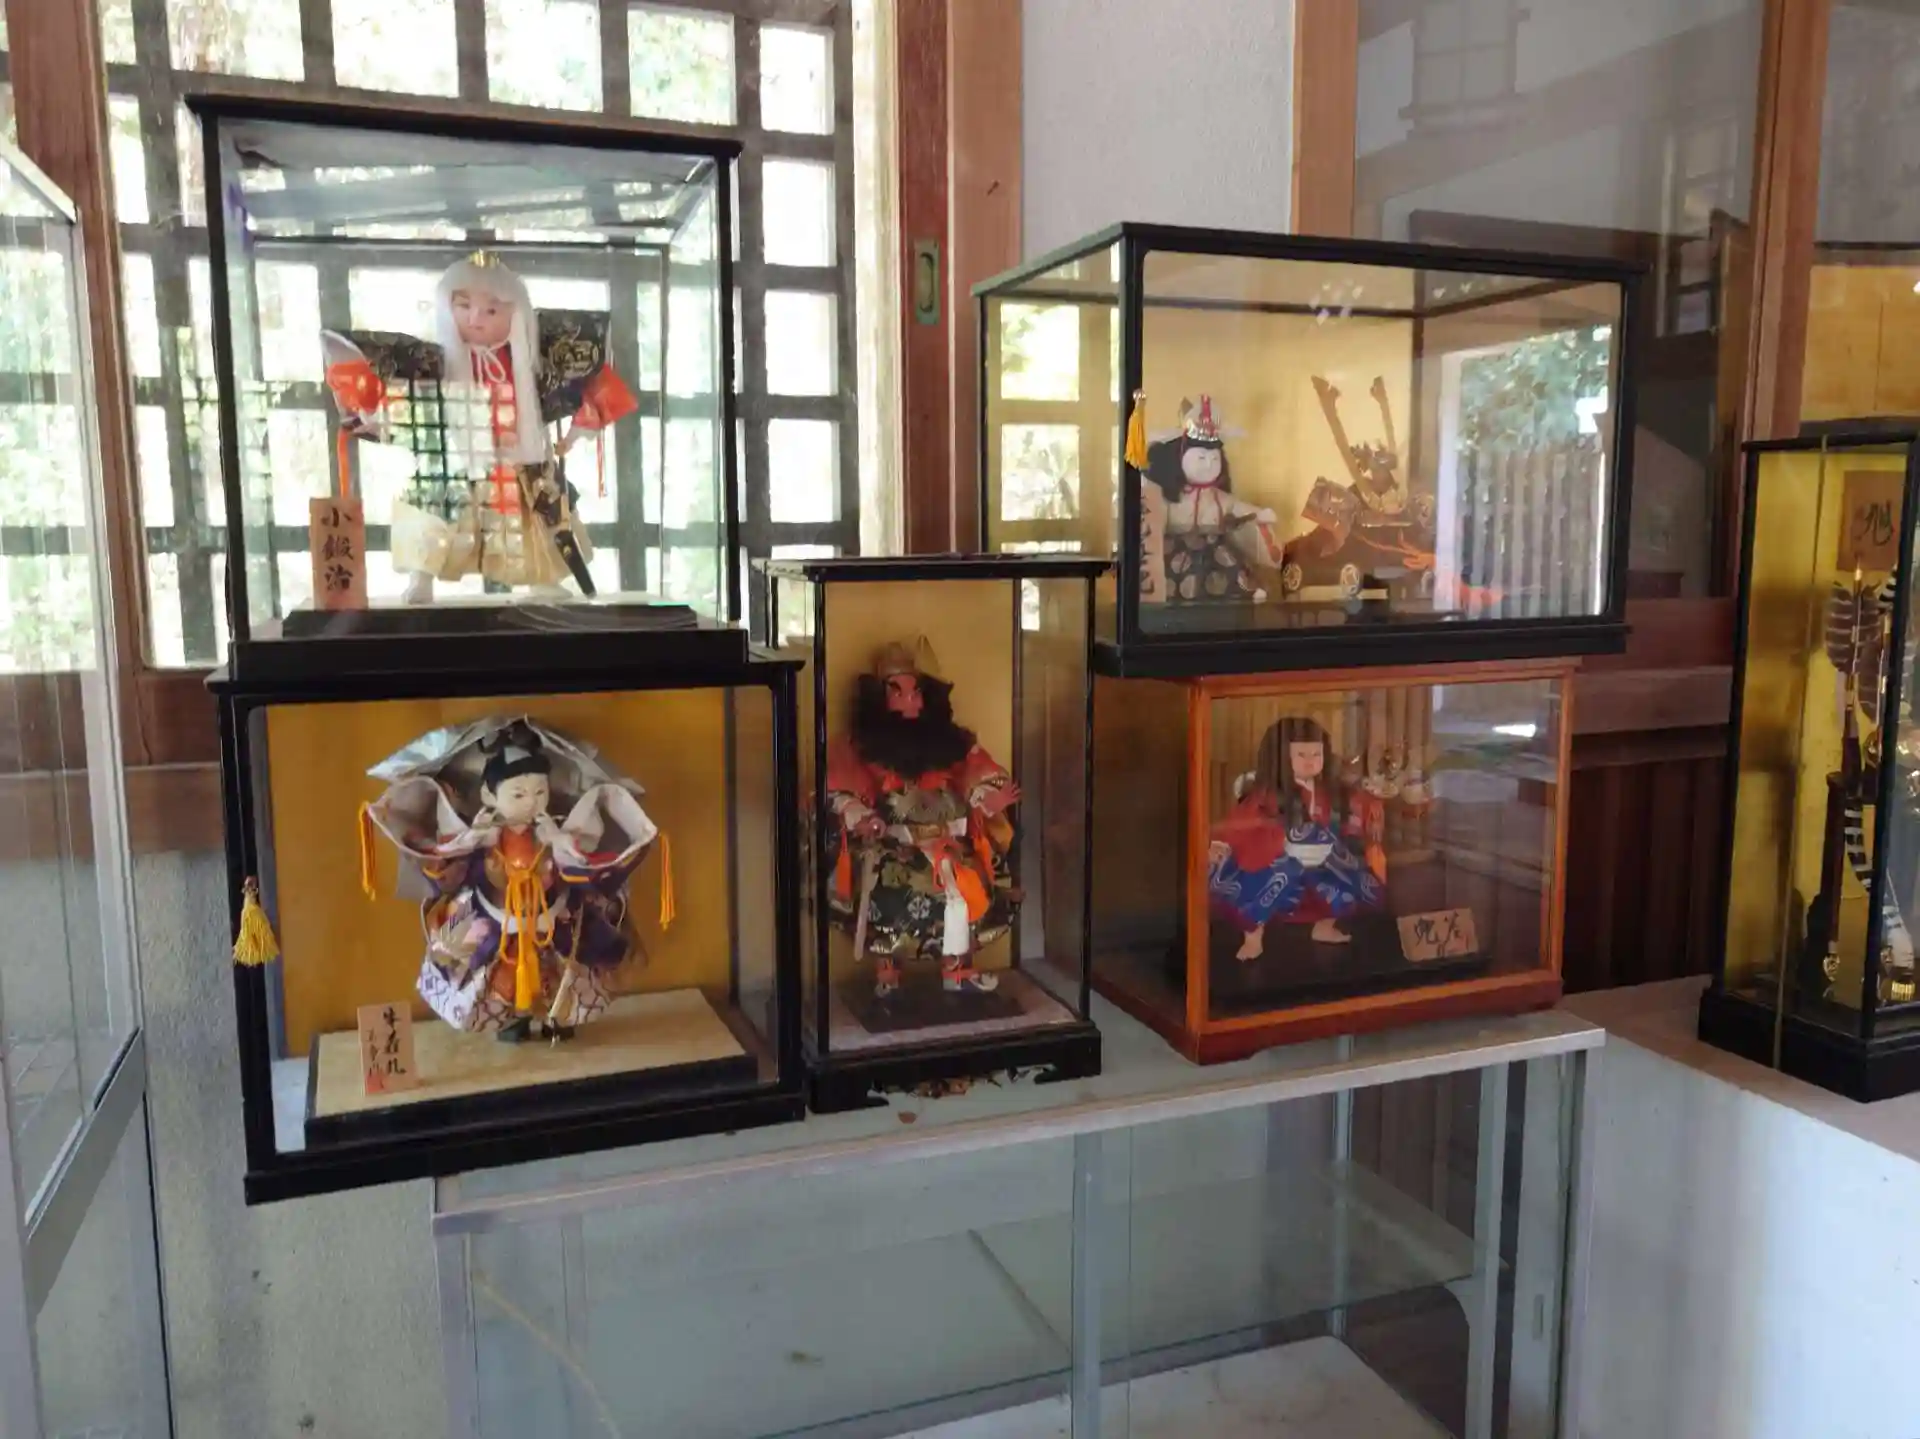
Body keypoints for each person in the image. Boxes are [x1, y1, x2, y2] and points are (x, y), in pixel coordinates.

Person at [322, 251, 635, 603]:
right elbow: (396, 389)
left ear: (516, 313)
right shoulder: (434, 363)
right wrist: (377, 408)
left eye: (492, 310)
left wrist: (578, 430)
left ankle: (542, 580)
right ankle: (422, 578)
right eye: (464, 306)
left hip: (519, 453)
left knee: (535, 517)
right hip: (456, 457)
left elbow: (589, 381)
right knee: (436, 513)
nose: (475, 319)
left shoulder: (530, 363)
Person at [362, 717, 668, 1042]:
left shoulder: (551, 832)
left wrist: (561, 843)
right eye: (518, 794)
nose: (532, 801)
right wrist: (470, 840)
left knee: (563, 971)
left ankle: (558, 1020)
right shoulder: (484, 838)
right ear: (489, 795)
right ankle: (509, 1023)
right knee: (491, 977)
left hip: (551, 915)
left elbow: (580, 861)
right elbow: (448, 865)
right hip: (495, 915)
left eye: (540, 791)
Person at [825, 640, 1019, 997]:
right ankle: (887, 971)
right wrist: (860, 816)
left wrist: (988, 797)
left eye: (916, 693)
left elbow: (975, 772)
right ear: (879, 698)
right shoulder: (859, 745)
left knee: (967, 887)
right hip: (893, 843)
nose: (910, 702)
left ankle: (957, 970)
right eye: (898, 693)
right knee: (889, 892)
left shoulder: (949, 741)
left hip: (949, 841)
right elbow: (839, 786)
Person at [1207, 715, 1385, 962]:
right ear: (1281, 758)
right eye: (1301, 755)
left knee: (1350, 876)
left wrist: (1366, 811)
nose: (1310, 761)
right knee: (1262, 891)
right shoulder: (1267, 794)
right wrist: (1221, 843)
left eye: (1316, 754)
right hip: (1277, 859)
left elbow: (1349, 812)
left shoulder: (1327, 791)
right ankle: (1253, 937)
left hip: (1321, 859)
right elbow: (1240, 822)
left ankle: (1325, 926)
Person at [1145, 396, 1284, 603]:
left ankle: (1244, 591)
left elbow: (1236, 507)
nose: (1209, 464)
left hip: (1216, 553)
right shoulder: (1168, 497)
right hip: (1176, 554)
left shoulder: (1218, 497)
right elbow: (1155, 522)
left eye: (1214, 458)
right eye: (1201, 458)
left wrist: (1258, 514)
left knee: (1229, 565)